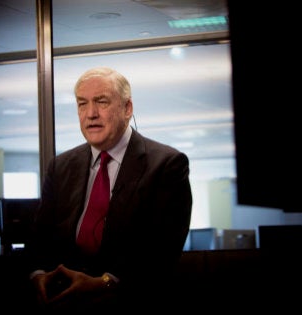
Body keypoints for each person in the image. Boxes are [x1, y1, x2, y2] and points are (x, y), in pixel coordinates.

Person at [25, 66, 193, 311]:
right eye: (82, 104)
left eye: (101, 102)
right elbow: (40, 238)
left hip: (131, 305)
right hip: (62, 305)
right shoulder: (60, 166)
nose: (90, 113)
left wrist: (106, 284)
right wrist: (38, 275)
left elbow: (162, 252)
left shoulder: (167, 165)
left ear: (127, 109)